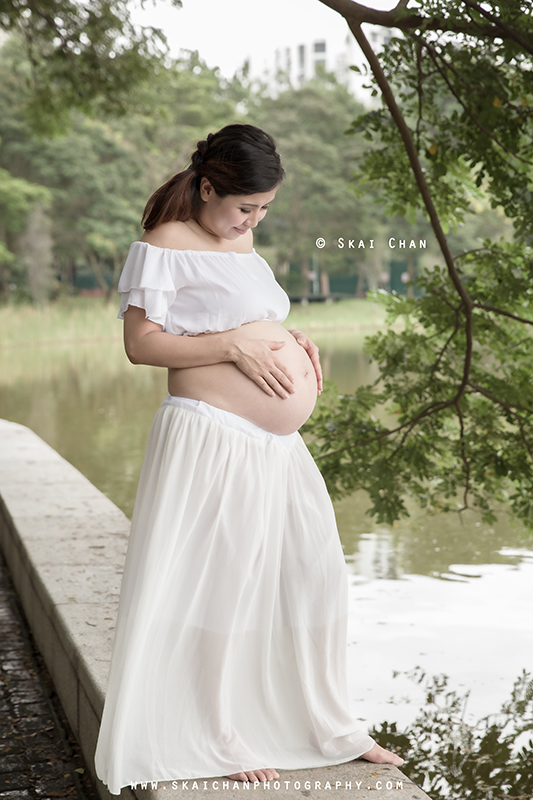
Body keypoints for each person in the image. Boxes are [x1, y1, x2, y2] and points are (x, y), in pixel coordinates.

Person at [94, 123, 403, 795]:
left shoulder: (242, 240)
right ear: (207, 187)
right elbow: (143, 346)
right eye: (243, 208)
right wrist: (236, 346)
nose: (252, 222)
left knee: (312, 574)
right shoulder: (162, 246)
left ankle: (327, 722)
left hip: (274, 444)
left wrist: (289, 337)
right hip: (212, 434)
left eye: (262, 210)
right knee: (223, 587)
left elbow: (241, 315)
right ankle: (213, 729)